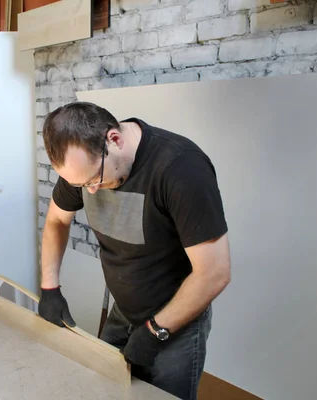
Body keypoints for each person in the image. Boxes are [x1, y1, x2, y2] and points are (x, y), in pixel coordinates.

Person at [37, 101, 231, 400]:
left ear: (113, 140)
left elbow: (214, 273)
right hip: (123, 310)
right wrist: (50, 287)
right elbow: (56, 221)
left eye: (93, 181)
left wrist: (156, 332)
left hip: (175, 323)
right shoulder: (84, 166)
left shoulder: (181, 168)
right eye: (79, 184)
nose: (88, 191)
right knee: (104, 390)